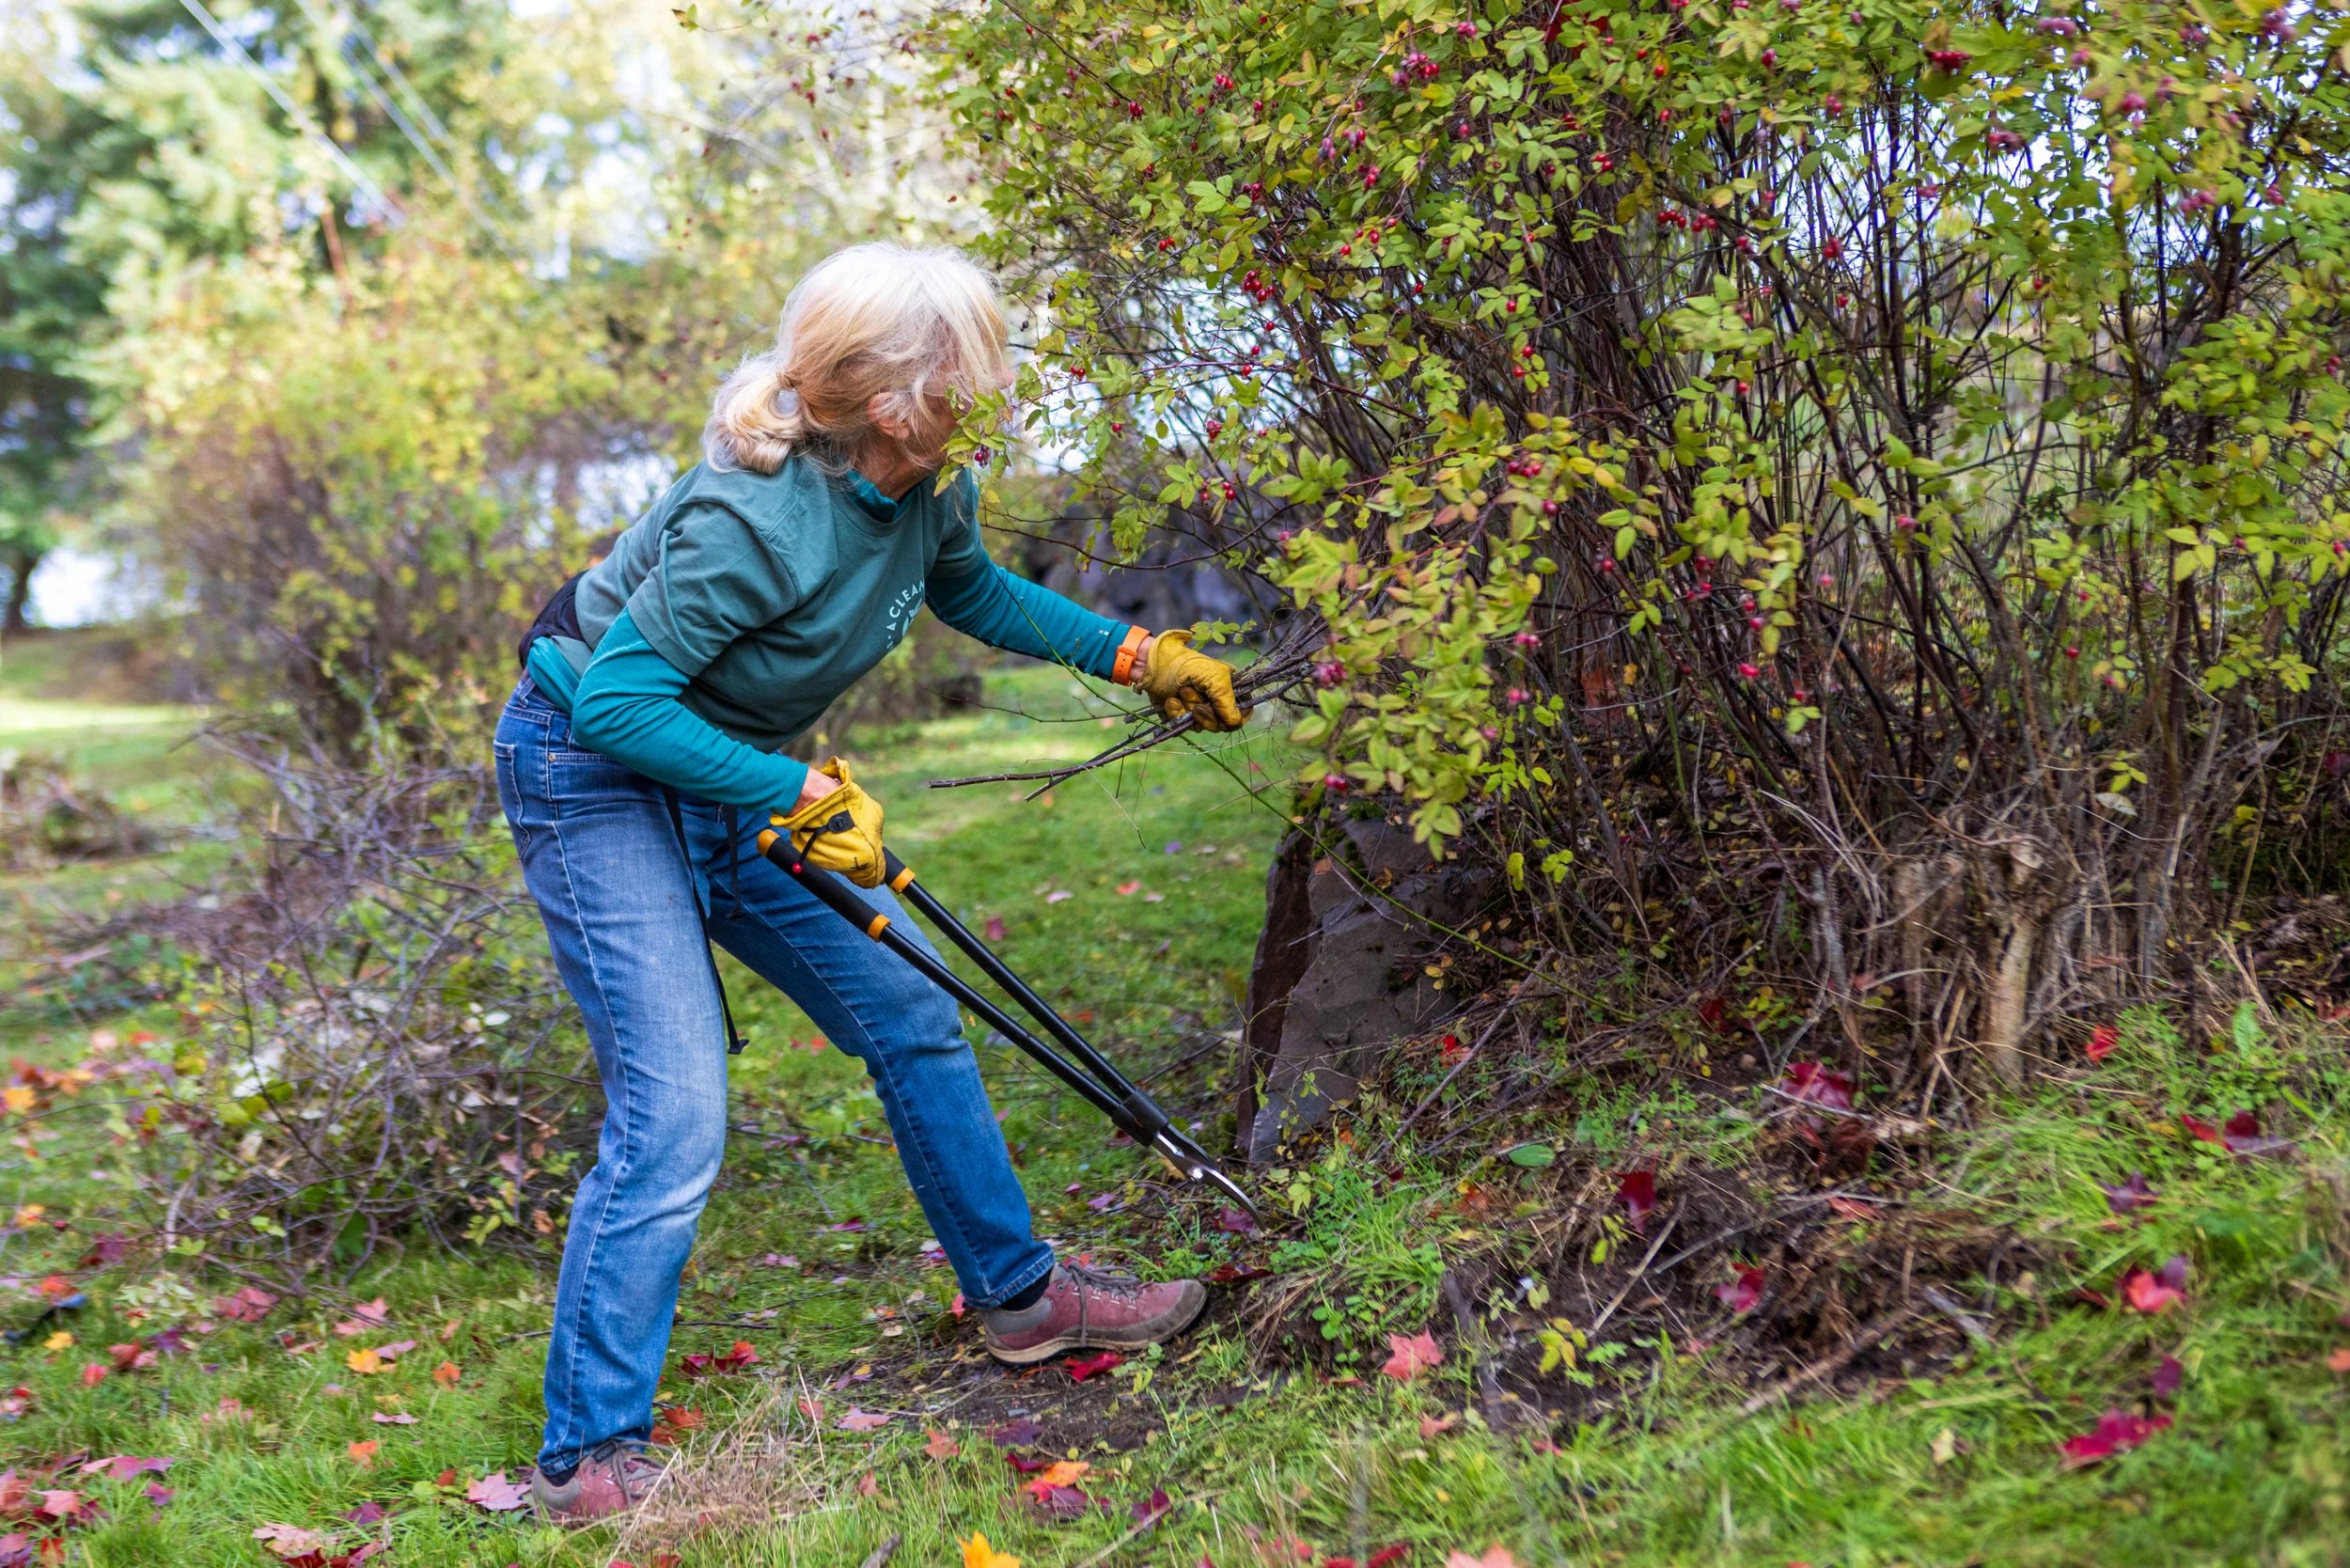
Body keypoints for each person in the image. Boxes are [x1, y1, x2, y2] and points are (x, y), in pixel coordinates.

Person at [496, 243, 1250, 1521]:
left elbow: (973, 592)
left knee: (911, 1004)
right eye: (977, 370)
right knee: (675, 1112)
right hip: (595, 768)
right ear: (895, 401)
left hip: (724, 765)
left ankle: (1022, 1299)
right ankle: (589, 1458)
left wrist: (1136, 654)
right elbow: (619, 704)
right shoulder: (752, 523)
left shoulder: (930, 481)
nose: (1001, 391)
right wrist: (792, 791)